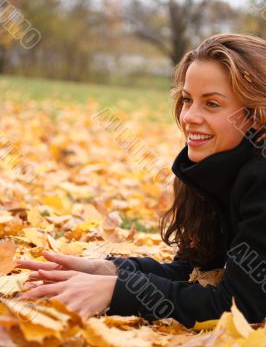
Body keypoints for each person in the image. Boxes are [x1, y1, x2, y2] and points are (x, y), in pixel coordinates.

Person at [17, 33, 266, 327]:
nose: (190, 117)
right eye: (187, 100)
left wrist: (116, 293)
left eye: (212, 104)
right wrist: (111, 271)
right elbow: (195, 272)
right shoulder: (211, 170)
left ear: (256, 115)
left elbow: (239, 307)